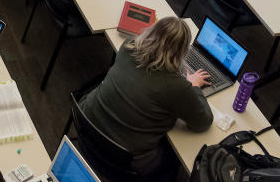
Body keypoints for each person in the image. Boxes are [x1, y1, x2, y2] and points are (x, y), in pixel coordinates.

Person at [80, 16, 213, 172]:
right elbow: (203, 122)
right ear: (182, 51)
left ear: (152, 32)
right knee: (173, 154)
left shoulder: (128, 46)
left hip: (86, 123)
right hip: (119, 158)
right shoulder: (177, 86)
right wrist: (194, 86)